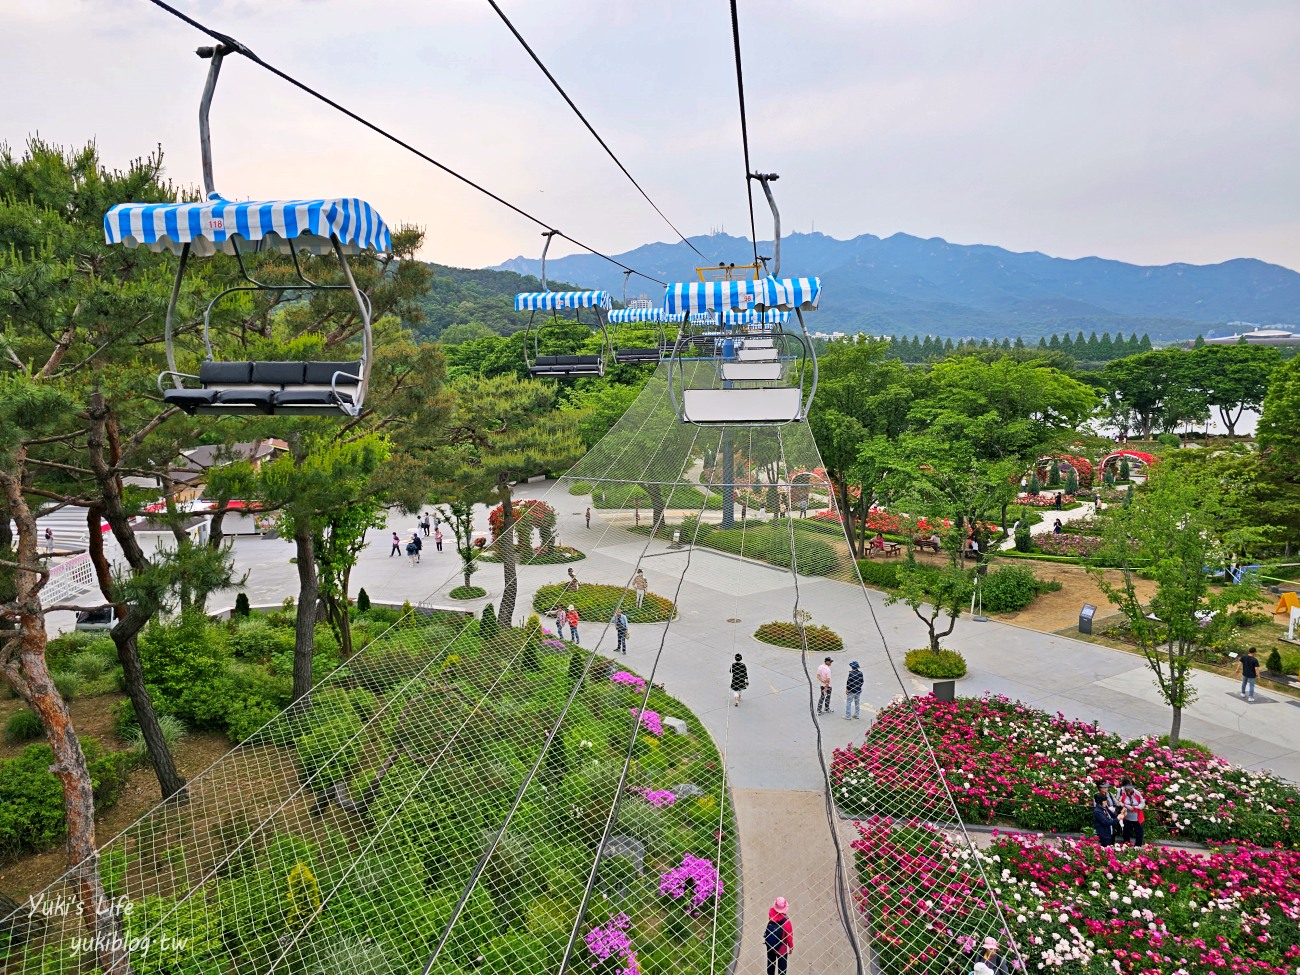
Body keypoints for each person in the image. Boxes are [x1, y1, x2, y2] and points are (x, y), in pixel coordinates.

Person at [763, 897, 793, 975]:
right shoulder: (786, 922)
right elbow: (789, 936)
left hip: (770, 945)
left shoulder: (771, 913)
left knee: (770, 964)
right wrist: (791, 946)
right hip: (781, 948)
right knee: (782, 968)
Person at [1118, 777, 1146, 846]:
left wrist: (1137, 807)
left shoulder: (1137, 793)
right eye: (1127, 788)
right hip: (1127, 815)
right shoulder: (1121, 792)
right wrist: (1124, 805)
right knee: (1126, 832)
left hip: (1136, 816)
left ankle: (1138, 846)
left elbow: (1142, 803)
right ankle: (1126, 845)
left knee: (1139, 832)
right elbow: (1118, 802)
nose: (1129, 789)